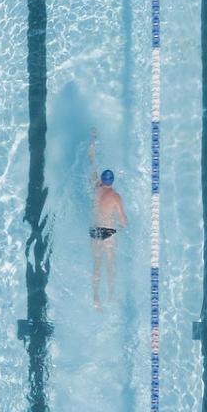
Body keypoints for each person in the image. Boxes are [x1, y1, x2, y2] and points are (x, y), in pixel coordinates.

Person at [90, 131, 128, 308]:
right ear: (112, 181)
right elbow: (123, 220)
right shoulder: (115, 196)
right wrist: (126, 225)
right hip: (109, 232)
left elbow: (93, 164)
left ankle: (96, 299)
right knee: (110, 266)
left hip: (94, 231)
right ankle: (111, 296)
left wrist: (93, 140)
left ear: (102, 180)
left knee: (97, 266)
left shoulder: (96, 188)